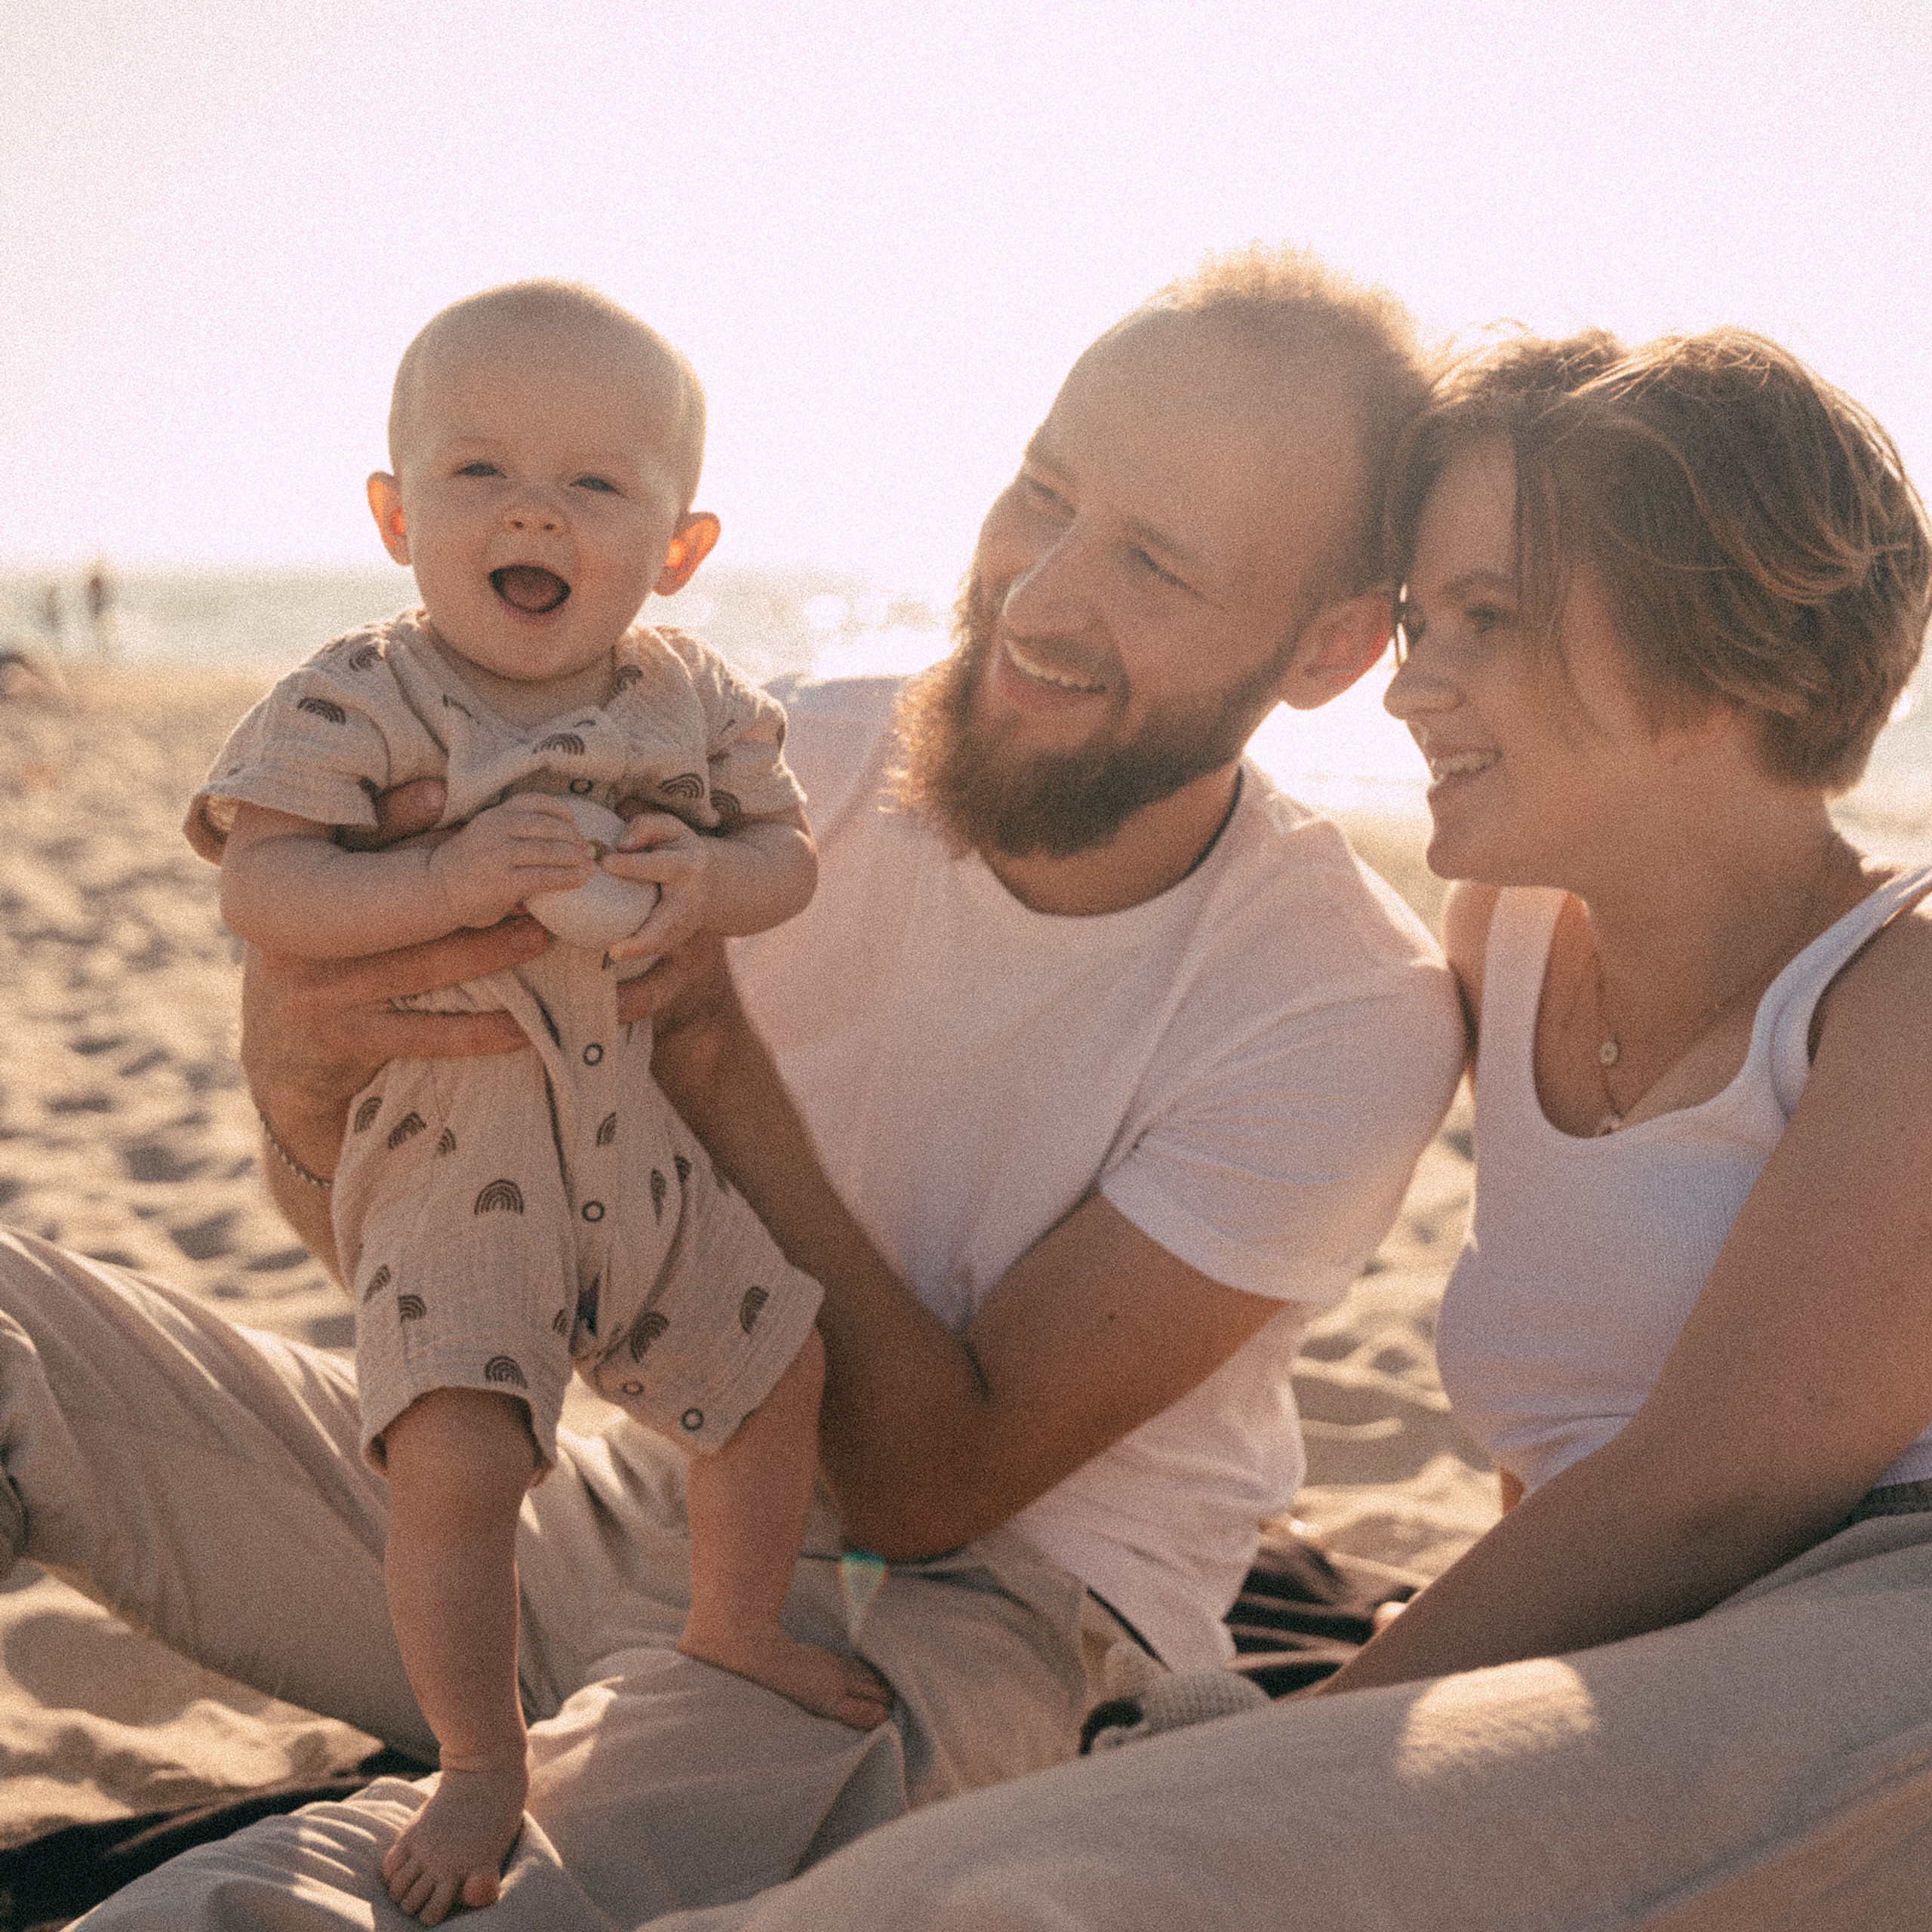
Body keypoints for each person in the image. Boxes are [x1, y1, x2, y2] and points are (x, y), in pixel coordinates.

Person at [1, 245, 1463, 1929]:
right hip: (628, 1497)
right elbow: (447, 1255)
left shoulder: (1336, 1002)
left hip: (968, 1619)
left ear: (1330, 648)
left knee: (342, 1892)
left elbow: (932, 1487)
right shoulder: (766, 761)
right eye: (1040, 492)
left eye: (1152, 562)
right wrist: (301, 1087)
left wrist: (704, 1042)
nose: (1043, 592)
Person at [618, 329, 1932, 1932]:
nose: (1406, 682)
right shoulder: (1507, 934)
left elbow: (1700, 1492)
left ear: (1714, 648)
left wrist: (1309, 1734)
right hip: (1660, 1676)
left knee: (1040, 1877)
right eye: (1416, 616)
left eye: (1486, 620)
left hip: (1877, 1634)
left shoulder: (1901, 982)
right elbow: (1561, 1483)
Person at [184, 279, 890, 1923]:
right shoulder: (363, 690)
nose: (531, 509)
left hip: (631, 1154)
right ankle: (481, 1754)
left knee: (781, 1363)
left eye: (594, 485)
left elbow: (786, 860)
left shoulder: (687, 696)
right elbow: (265, 890)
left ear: (680, 546)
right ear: (394, 512)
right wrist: (435, 871)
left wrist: (705, 870)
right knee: (456, 1463)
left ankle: (730, 1621)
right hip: (455, 1159)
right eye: (479, 470)